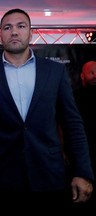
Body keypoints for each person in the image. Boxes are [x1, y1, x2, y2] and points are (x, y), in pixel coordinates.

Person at [0, 8, 94, 213]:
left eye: (21, 26)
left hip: (50, 178)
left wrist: (83, 172)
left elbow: (73, 125)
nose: (14, 32)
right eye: (7, 27)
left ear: (31, 33)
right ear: (0, 35)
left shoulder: (55, 72)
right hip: (0, 179)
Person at [73, 60, 96, 211]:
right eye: (91, 73)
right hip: (83, 151)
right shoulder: (74, 96)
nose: (95, 76)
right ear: (82, 75)